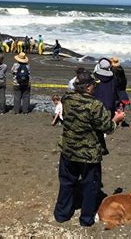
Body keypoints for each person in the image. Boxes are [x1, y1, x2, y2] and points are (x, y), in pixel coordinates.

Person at [54, 70, 125, 227]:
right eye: (94, 85)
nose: (95, 88)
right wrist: (116, 119)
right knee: (90, 186)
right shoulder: (95, 105)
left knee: (66, 183)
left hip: (68, 149)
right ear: (87, 87)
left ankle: (61, 214)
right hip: (89, 153)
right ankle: (86, 219)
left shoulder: (67, 98)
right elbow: (107, 128)